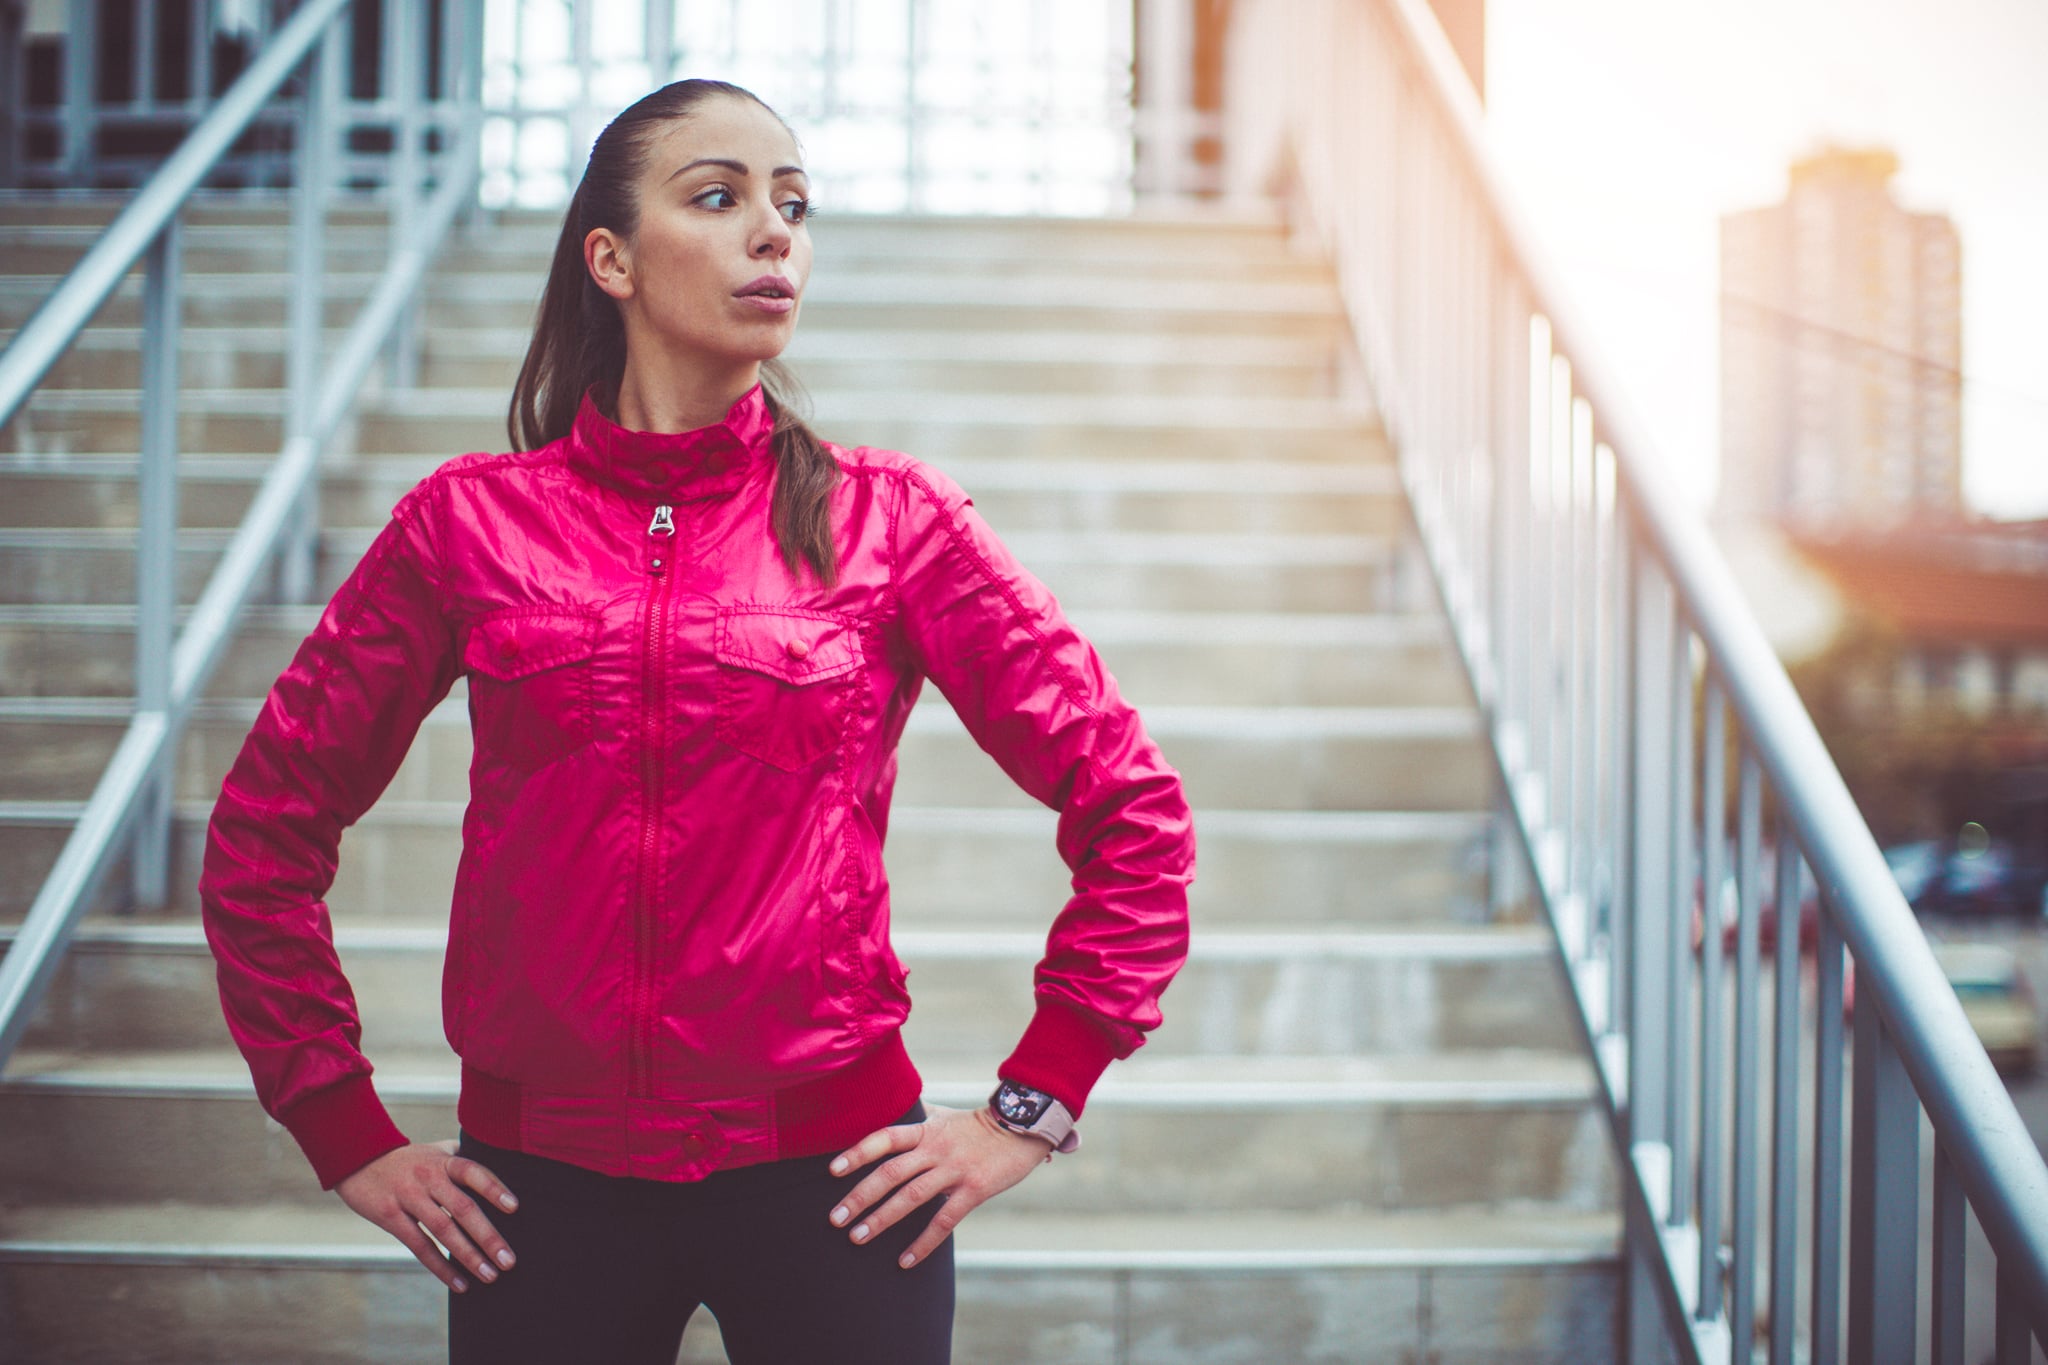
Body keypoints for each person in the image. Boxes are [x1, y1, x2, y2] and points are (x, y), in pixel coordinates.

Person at [198, 78, 1194, 1364]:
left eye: (792, 204)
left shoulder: (891, 521)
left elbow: (1132, 808)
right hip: (536, 1199)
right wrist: (344, 1129)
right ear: (608, 258)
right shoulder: (469, 526)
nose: (772, 233)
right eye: (717, 199)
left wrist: (1029, 1104)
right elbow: (265, 832)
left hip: (835, 1184)